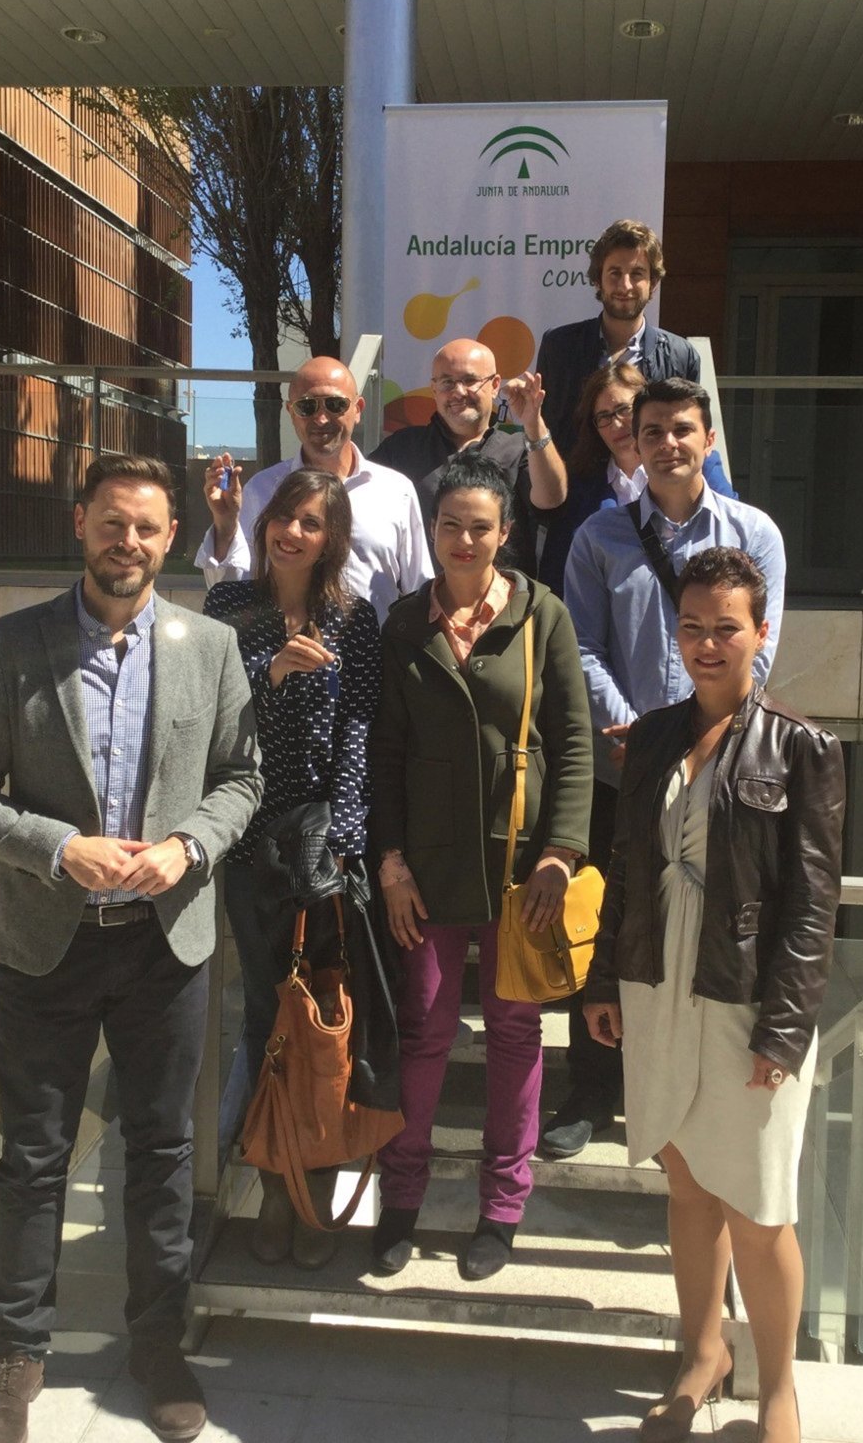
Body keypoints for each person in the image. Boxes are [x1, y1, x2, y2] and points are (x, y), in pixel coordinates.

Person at [0, 454, 263, 1443]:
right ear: (80, 523)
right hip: (48, 942)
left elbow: (242, 779)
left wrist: (187, 845)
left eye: (148, 527)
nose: (129, 542)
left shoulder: (211, 646)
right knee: (33, 1158)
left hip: (166, 947)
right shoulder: (11, 644)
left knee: (162, 1153)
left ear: (172, 539)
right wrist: (57, 847)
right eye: (112, 522)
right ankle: (15, 1359)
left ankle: (158, 1345)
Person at [584, 548, 844, 1443]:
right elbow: (625, 867)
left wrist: (785, 1030)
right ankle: (702, 1355)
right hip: (658, 988)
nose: (706, 643)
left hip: (746, 1004)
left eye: (725, 627)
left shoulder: (803, 748)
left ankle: (779, 1392)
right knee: (689, 1187)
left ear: (760, 634)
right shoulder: (654, 736)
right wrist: (603, 980)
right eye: (691, 626)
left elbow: (812, 906)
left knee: (760, 1209)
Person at [542, 376, 785, 1159]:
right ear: (633, 444)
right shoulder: (598, 537)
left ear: (709, 440)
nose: (667, 443)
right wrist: (646, 737)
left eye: (682, 429)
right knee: (604, 923)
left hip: (719, 772)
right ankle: (591, 1088)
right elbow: (580, 647)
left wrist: (691, 736)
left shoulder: (756, 535)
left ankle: (693, 1088)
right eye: (652, 431)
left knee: (705, 922)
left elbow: (760, 652)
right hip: (621, 769)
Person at [368, 453, 593, 1282]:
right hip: (426, 873)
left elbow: (573, 742)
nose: (464, 540)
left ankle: (501, 1209)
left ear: (505, 534)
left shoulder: (542, 616)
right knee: (424, 1030)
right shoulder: (404, 624)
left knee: (513, 1033)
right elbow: (384, 756)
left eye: (480, 527)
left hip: (519, 872)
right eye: (450, 525)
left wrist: (561, 853)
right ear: (432, 530)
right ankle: (402, 1196)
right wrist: (390, 864)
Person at [203, 467, 381, 1269]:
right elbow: (212, 724)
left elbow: (359, 730)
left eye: (311, 522)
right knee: (264, 1020)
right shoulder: (228, 609)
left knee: (327, 1017)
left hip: (322, 847)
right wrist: (271, 676)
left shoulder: (354, 618)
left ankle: (319, 1180)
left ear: (331, 537)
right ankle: (276, 1187)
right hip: (248, 842)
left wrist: (342, 837)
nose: (293, 532)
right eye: (284, 516)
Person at [196, 355, 432, 623]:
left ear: (358, 409)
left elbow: (419, 590)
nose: (320, 419)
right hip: (281, 647)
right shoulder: (262, 489)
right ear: (291, 413)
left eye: (335, 404)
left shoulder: (396, 491)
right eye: (307, 406)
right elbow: (232, 589)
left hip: (375, 647)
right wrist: (225, 524)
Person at [533, 217, 734, 493]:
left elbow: (690, 432)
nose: (625, 285)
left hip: (655, 496)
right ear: (598, 280)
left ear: (653, 283)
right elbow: (550, 430)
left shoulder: (680, 355)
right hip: (575, 497)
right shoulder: (559, 346)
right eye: (614, 273)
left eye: (637, 273)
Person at [370, 336, 567, 574]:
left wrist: (534, 426)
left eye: (470, 380)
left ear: (495, 385)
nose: (458, 392)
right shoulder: (401, 449)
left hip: (504, 595)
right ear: (434, 389)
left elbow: (551, 499)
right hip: (421, 596)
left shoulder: (521, 448)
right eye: (447, 382)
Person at [538, 361, 647, 598]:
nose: (616, 424)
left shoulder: (682, 470)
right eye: (604, 417)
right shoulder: (578, 489)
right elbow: (556, 574)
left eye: (623, 409)